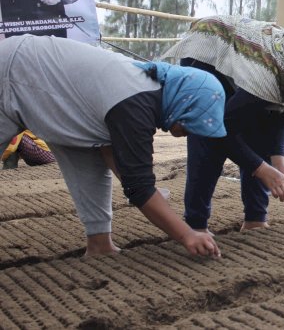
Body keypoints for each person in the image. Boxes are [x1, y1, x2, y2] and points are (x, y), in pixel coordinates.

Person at [0, 34, 227, 257]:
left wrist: (142, 188)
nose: (187, 134)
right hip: (14, 71)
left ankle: (100, 244)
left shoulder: (144, 96)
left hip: (49, 88)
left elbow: (114, 155)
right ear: (185, 103)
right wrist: (187, 234)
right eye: (191, 124)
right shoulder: (135, 105)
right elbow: (138, 187)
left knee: (89, 156)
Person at [160, 15, 284, 233]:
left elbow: (282, 119)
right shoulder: (266, 81)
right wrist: (261, 168)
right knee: (207, 131)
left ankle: (255, 218)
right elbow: (219, 130)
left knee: (257, 136)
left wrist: (279, 160)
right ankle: (196, 224)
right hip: (209, 50)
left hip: (252, 72)